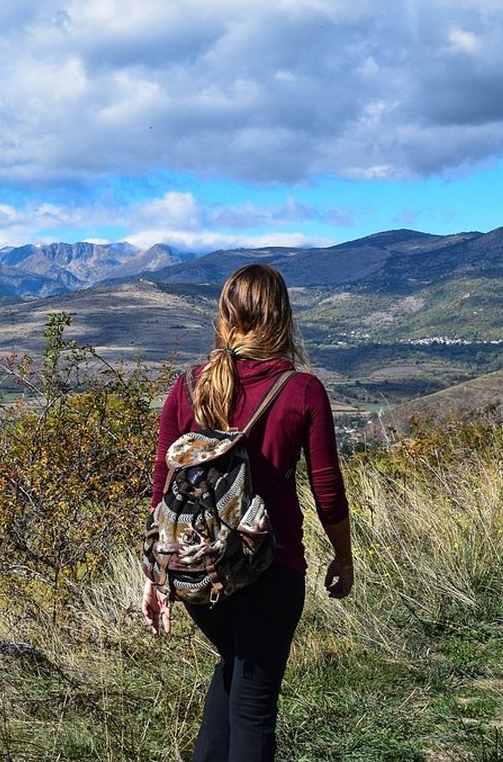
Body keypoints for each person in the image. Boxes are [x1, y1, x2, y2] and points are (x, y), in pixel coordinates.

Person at [142, 263, 353, 762]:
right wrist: (344, 559)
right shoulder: (301, 390)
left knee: (234, 672)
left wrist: (155, 574)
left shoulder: (189, 386)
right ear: (282, 316)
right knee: (254, 716)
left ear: (224, 316)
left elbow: (163, 484)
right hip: (269, 570)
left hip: (197, 573)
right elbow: (328, 491)